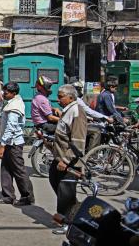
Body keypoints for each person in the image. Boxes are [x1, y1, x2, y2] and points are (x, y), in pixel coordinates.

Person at [49, 84, 87, 235]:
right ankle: (74, 214)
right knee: (58, 186)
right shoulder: (67, 110)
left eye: (60, 96)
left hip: (69, 162)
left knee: (66, 193)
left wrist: (65, 160)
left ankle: (67, 223)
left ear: (70, 97)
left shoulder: (77, 112)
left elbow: (78, 141)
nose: (58, 99)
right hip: (58, 158)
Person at [0, 82, 35, 206]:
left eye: (6, 93)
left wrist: (2, 145)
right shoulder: (10, 102)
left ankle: (27, 197)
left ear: (14, 93)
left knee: (19, 170)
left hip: (13, 144)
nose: (4, 94)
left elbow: (10, 128)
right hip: (8, 143)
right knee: (6, 169)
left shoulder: (15, 106)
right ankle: (8, 196)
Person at [72, 80, 113, 151]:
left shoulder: (76, 99)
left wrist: (90, 118)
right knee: (97, 131)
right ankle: (91, 155)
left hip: (76, 122)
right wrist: (106, 117)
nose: (80, 91)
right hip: (75, 124)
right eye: (78, 89)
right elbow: (89, 111)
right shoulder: (77, 100)